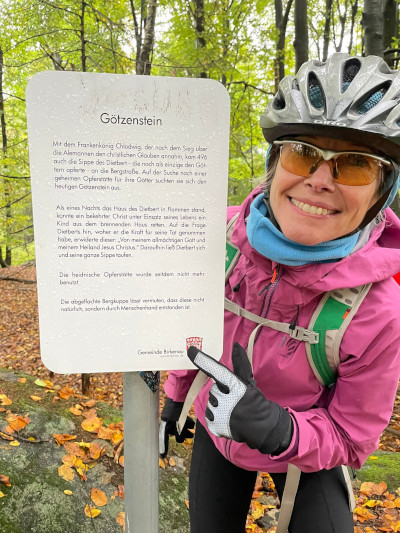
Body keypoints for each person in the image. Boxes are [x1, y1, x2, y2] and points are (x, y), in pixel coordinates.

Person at [160, 53, 400, 533]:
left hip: (311, 451)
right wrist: (175, 397)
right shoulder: (216, 236)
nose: (320, 180)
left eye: (354, 165)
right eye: (303, 154)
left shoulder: (378, 309)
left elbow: (352, 438)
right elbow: (193, 329)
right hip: (218, 427)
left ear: (382, 192)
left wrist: (280, 428)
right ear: (275, 165)